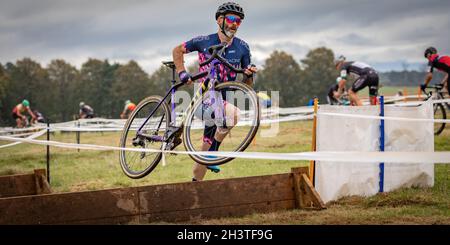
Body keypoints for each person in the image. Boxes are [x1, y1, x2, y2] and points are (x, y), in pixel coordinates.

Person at [172, 2, 257, 181]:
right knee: (234, 115)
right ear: (220, 19)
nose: (235, 24)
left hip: (224, 104)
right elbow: (177, 50)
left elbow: (247, 86)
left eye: (239, 21)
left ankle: (196, 187)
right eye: (232, 19)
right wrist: (182, 72)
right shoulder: (204, 40)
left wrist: (249, 74)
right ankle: (213, 152)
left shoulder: (243, 47)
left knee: (201, 160)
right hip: (205, 98)